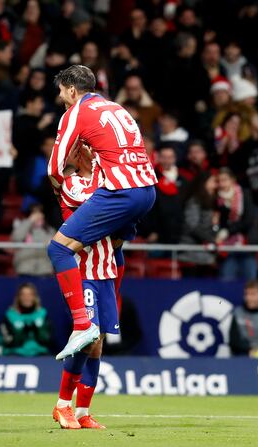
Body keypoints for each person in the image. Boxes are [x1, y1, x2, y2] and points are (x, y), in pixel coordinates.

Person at [47, 65, 156, 361]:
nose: (61, 98)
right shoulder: (116, 107)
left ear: (72, 89)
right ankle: (109, 310)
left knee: (58, 249)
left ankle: (82, 324)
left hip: (121, 191)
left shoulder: (76, 112)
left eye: (61, 91)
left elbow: (54, 167)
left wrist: (59, 194)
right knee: (114, 244)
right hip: (147, 190)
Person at [53, 145, 123, 430]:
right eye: (87, 150)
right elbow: (96, 203)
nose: (94, 154)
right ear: (78, 156)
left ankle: (83, 411)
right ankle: (62, 406)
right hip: (82, 271)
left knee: (98, 344)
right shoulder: (73, 183)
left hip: (105, 270)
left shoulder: (107, 183)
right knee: (88, 338)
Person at [0, 283, 52, 356]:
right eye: (23, 295)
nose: (27, 298)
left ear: (35, 297)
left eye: (30, 295)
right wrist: (20, 332)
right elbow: (6, 341)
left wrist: (37, 329)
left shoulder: (42, 314)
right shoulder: (10, 315)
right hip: (15, 354)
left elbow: (48, 339)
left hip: (39, 354)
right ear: (18, 297)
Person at [11, 204, 55, 276]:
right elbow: (16, 237)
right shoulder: (22, 226)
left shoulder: (50, 230)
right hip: (24, 269)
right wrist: (29, 221)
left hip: (45, 270)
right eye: (34, 213)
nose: (37, 215)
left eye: (39, 212)